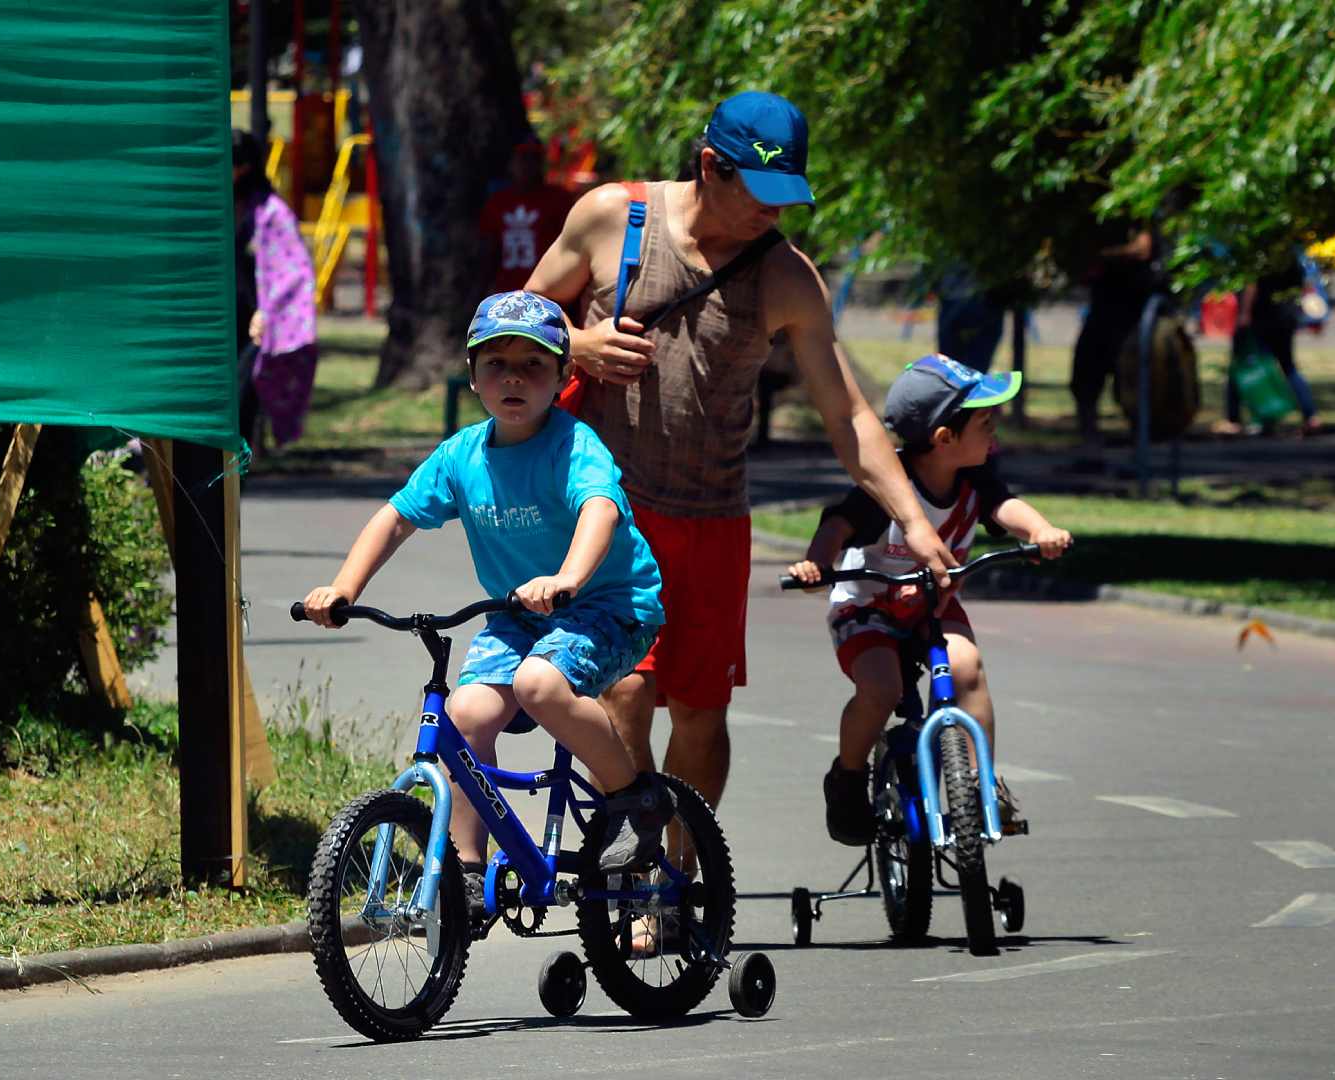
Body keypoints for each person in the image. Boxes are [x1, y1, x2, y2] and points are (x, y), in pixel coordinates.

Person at [524, 90, 957, 816]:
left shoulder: (786, 276)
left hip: (713, 521)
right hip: (610, 512)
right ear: (709, 166)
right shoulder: (611, 217)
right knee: (626, 686)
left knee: (699, 712)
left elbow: (848, 414)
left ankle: (681, 875)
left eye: (787, 197)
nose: (773, 214)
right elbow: (511, 320)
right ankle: (635, 887)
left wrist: (913, 522)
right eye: (760, 194)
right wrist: (578, 344)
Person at [300, 291, 675, 917]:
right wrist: (345, 588)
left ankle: (633, 799)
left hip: (608, 605)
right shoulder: (462, 455)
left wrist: (568, 577)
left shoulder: (572, 445)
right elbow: (396, 518)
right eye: (496, 363)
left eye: (533, 365)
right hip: (521, 614)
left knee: (538, 683)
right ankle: (467, 873)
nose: (513, 378)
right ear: (472, 376)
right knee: (466, 717)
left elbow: (600, 511)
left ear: (563, 376)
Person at [785, 355, 1073, 844]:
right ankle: (848, 778)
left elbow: (1005, 507)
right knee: (879, 689)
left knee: (967, 669)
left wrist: (1041, 530)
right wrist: (816, 563)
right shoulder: (889, 485)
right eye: (985, 421)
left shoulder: (974, 481)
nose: (996, 428)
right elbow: (837, 523)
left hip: (930, 607)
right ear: (944, 439)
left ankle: (983, 787)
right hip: (868, 607)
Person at [233, 129, 319, 452]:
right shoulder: (213, 207)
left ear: (244, 167)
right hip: (220, 319)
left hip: (255, 325)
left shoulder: (269, 213)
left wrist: (267, 312)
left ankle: (236, 472)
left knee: (241, 397)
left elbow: (292, 272)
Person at [1071, 221, 1157, 461]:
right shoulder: (1099, 225)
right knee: (1084, 383)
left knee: (1130, 388)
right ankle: (1091, 449)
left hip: (1132, 321)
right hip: (1101, 317)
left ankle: (1139, 455)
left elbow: (1142, 249)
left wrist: (1103, 255)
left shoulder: (1141, 220)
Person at [1218, 255, 1323, 436]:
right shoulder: (1289, 255)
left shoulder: (1257, 254)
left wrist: (1244, 314)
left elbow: (1251, 285)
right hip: (1285, 318)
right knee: (1289, 367)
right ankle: (1310, 416)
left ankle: (1233, 419)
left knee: (1240, 366)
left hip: (1261, 319)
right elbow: (1305, 285)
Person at [478, 138, 577, 296]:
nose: (529, 166)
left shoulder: (559, 198)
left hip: (547, 289)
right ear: (511, 164)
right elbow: (489, 248)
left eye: (535, 159)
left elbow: (570, 245)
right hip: (506, 289)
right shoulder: (498, 202)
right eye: (523, 159)